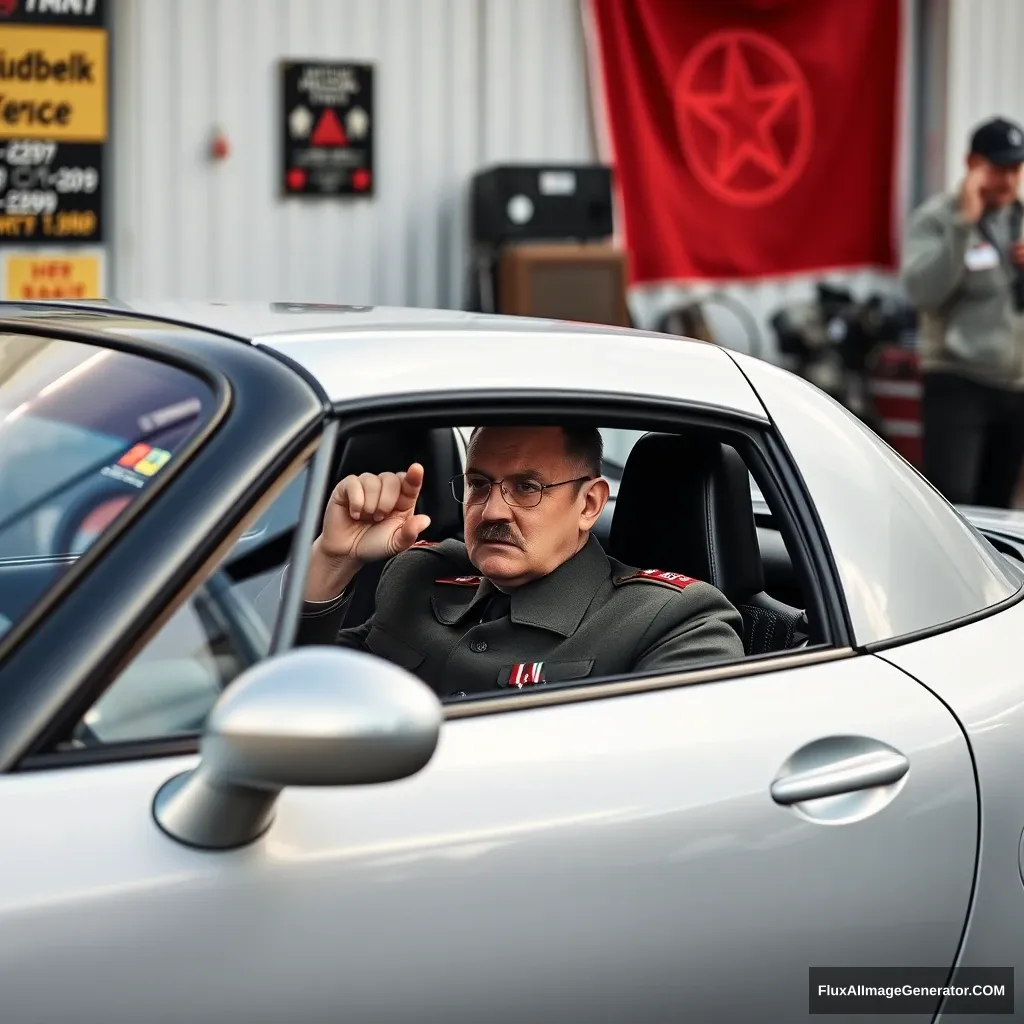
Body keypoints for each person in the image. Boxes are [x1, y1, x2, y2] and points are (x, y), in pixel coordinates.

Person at [296, 425, 744, 697]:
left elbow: (676, 782)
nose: (491, 512)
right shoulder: (421, 574)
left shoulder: (673, 620)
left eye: (527, 488)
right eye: (479, 484)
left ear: (589, 504)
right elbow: (300, 690)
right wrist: (334, 559)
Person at [902, 115, 1024, 508]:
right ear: (972, 164)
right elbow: (924, 293)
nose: (1007, 179)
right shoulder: (936, 219)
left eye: (1015, 168)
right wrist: (963, 225)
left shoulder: (1020, 219)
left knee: (999, 510)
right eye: (997, 168)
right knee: (954, 505)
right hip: (958, 383)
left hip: (1015, 388)